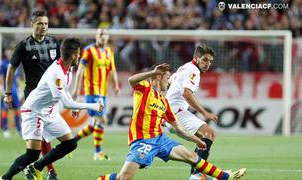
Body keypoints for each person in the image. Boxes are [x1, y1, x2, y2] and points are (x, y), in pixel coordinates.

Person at [97, 63, 246, 180]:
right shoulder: (145, 89)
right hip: (143, 142)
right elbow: (131, 80)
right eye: (167, 78)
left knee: (192, 157)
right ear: (159, 77)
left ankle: (226, 176)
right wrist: (153, 72)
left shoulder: (164, 102)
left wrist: (197, 141)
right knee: (124, 178)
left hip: (161, 140)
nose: (168, 83)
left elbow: (179, 128)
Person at [0, 37, 103, 180]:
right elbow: (65, 103)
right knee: (32, 154)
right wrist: (93, 106)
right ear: (73, 55)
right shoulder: (56, 73)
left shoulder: (67, 70)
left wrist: (73, 104)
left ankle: (36, 167)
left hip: (49, 112)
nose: (79, 56)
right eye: (78, 53)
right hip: (34, 112)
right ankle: (5, 178)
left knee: (70, 144)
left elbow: (65, 93)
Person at [3, 10, 60, 180]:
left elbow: (59, 68)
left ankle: (36, 168)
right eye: (40, 23)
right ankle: (49, 171)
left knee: (45, 136)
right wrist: (7, 93)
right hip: (33, 94)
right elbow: (11, 68)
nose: (43, 27)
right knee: (41, 135)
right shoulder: (23, 45)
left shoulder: (53, 43)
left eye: (46, 24)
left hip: (51, 94)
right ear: (32, 25)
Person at [164, 44, 219, 180]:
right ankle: (196, 174)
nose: (208, 64)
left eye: (210, 61)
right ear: (197, 57)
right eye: (205, 60)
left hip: (169, 114)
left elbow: (169, 83)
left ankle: (195, 174)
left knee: (204, 138)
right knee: (209, 133)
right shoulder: (193, 70)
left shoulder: (184, 67)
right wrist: (205, 113)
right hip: (175, 113)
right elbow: (186, 93)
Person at [72, 28, 120, 160]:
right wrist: (76, 89)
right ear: (96, 36)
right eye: (100, 34)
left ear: (108, 36)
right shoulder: (88, 51)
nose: (103, 37)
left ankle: (72, 141)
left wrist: (115, 85)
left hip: (102, 92)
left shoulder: (109, 51)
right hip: (92, 91)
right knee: (102, 120)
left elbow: (112, 70)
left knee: (95, 124)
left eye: (105, 34)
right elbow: (80, 70)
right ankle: (98, 152)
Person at [0, 45, 22, 138]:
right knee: (5, 109)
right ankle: (5, 129)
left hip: (15, 91)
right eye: (9, 51)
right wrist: (1, 87)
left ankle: (19, 129)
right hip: (6, 90)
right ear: (6, 52)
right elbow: (1, 77)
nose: (10, 53)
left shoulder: (17, 64)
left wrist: (19, 88)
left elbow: (17, 78)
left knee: (17, 109)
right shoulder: (3, 64)